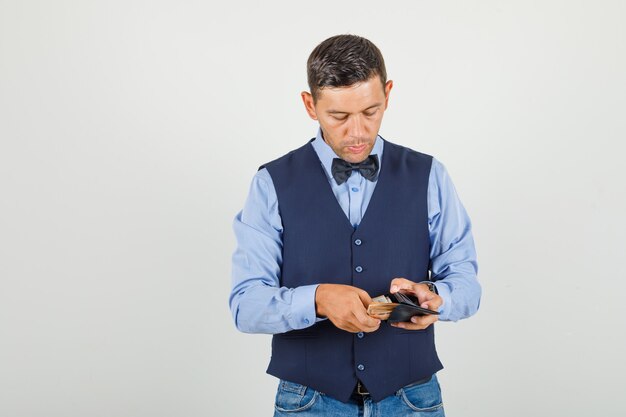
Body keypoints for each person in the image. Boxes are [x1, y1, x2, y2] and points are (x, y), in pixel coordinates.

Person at [229, 34, 481, 416]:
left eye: (371, 111)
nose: (359, 132)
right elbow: (245, 304)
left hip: (413, 399)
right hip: (309, 402)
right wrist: (317, 299)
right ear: (310, 105)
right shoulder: (271, 183)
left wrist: (434, 296)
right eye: (339, 116)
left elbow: (465, 282)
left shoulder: (430, 175)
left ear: (388, 94)